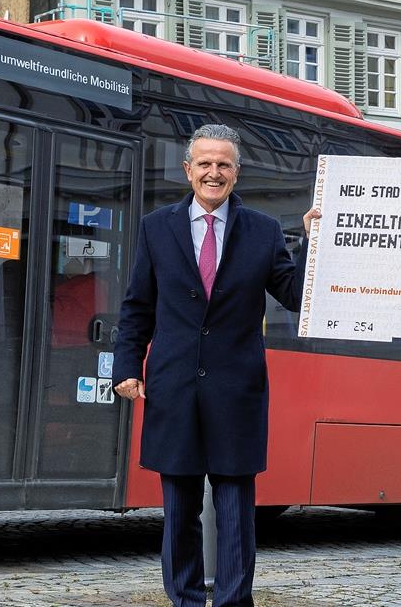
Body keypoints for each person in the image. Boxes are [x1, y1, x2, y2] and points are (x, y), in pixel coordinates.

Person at [112, 124, 320, 607]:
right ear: (188, 170)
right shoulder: (156, 227)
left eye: (223, 164)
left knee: (235, 511)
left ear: (236, 173)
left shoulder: (264, 231)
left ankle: (232, 602)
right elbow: (137, 306)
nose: (213, 172)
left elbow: (294, 295)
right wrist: (127, 366)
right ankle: (184, 599)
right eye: (204, 163)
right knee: (179, 509)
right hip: (174, 388)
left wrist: (313, 241)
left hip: (236, 390)